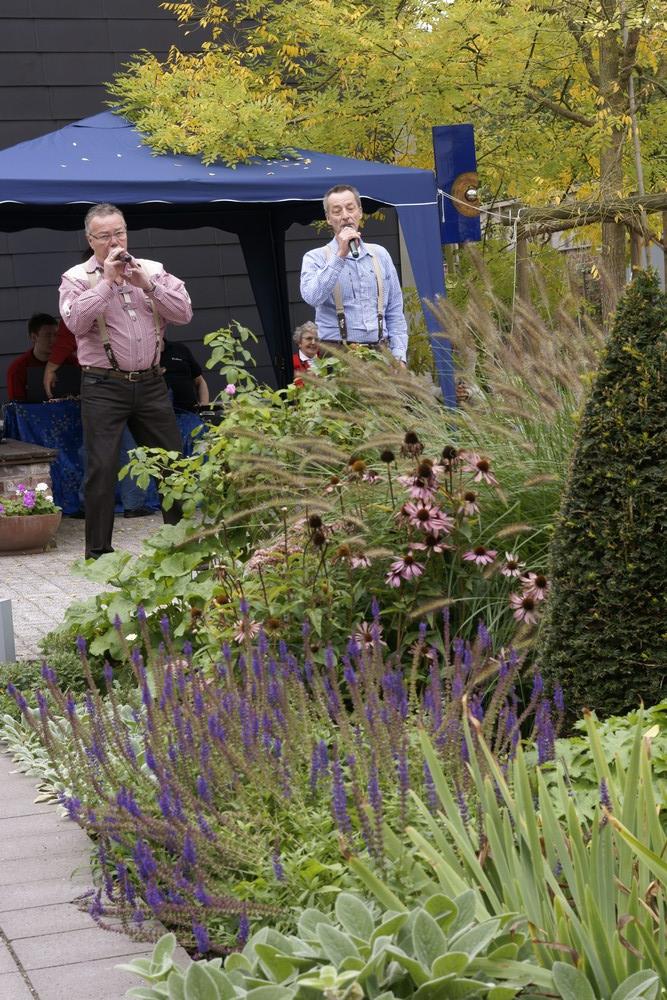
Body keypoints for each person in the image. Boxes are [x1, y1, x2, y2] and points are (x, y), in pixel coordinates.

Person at [59, 203, 193, 559]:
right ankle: (98, 554)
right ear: (90, 240)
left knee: (172, 463)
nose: (114, 242)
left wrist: (147, 285)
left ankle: (184, 545)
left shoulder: (153, 270)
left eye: (119, 233)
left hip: (151, 382)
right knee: (102, 468)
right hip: (103, 385)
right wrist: (107, 282)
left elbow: (184, 313)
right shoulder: (76, 277)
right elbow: (76, 324)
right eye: (104, 236)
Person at [300, 185, 408, 364]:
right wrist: (339, 256)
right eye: (337, 211)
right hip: (337, 354)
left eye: (350, 208)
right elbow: (312, 297)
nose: (345, 216)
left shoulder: (380, 255)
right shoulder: (315, 257)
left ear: (360, 212)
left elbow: (395, 311)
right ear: (328, 218)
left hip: (381, 353)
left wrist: (399, 357)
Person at [6, 313, 77, 401]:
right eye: (47, 335)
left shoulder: (72, 362)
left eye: (56, 335)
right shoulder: (18, 369)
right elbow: (17, 404)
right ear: (33, 337)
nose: (53, 340)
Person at [160, 333, 210, 412]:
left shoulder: (180, 349)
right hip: (160, 414)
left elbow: (200, 381)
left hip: (190, 412)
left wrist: (204, 406)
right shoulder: (143, 360)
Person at [292, 321, 320, 386]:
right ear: (299, 342)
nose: (313, 342)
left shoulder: (326, 360)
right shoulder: (291, 362)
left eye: (316, 339)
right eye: (309, 338)